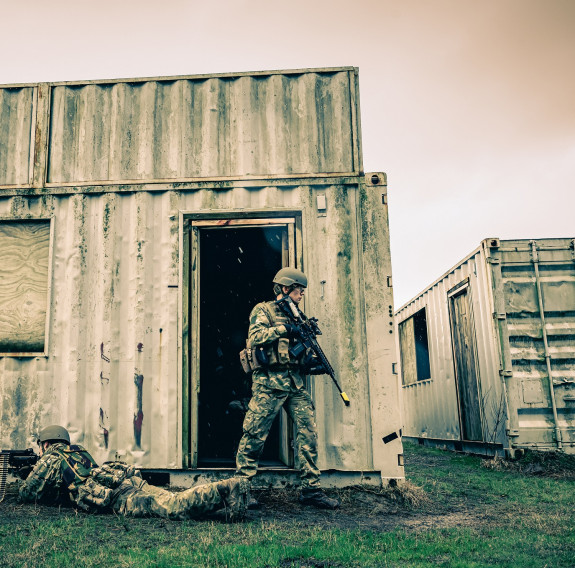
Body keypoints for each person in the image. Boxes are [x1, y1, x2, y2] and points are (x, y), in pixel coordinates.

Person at [235, 267, 339, 509]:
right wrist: (285, 329)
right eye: (299, 290)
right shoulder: (264, 310)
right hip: (268, 384)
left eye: (303, 291)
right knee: (254, 435)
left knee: (308, 433)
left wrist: (312, 364)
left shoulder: (298, 318)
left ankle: (311, 490)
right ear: (285, 288)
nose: (302, 295)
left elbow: (297, 354)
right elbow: (257, 336)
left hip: (294, 384)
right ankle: (241, 490)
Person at [19, 425, 248, 522]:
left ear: (46, 444)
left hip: (121, 497)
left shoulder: (51, 457)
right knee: (170, 498)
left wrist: (25, 476)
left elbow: (29, 494)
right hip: (128, 482)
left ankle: (224, 489)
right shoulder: (77, 451)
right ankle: (226, 496)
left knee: (173, 507)